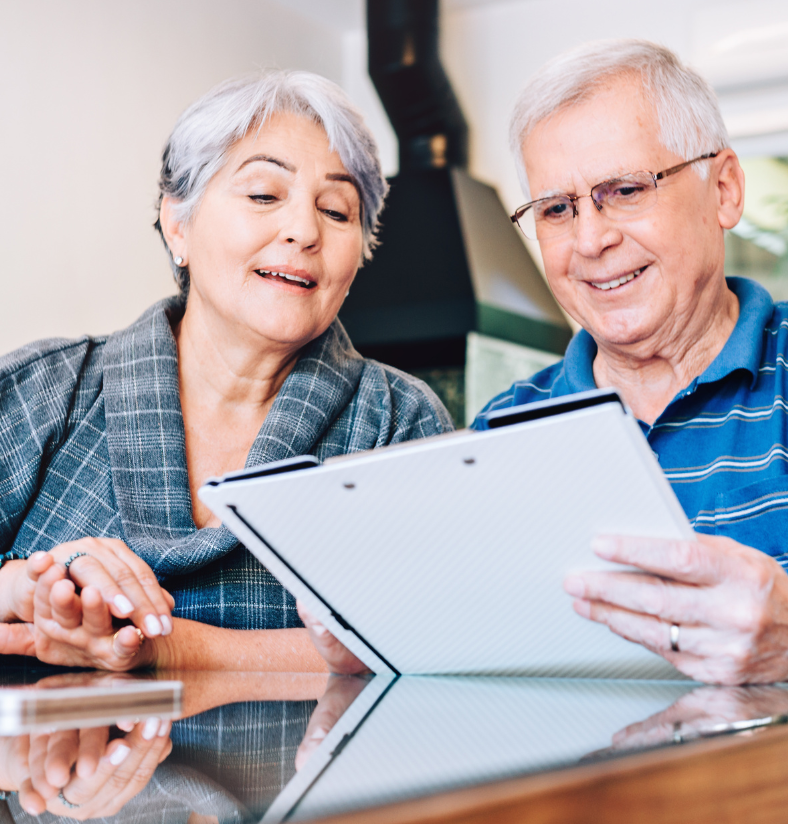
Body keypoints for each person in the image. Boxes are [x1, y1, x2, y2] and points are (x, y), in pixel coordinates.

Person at [0, 71, 451, 673]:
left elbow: (438, 646)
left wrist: (177, 651)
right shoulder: (42, 390)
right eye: (264, 196)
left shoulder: (399, 424)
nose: (304, 231)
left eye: (337, 211)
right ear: (178, 223)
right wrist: (18, 589)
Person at [475, 37, 788, 685]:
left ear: (723, 189)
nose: (591, 239)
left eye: (624, 189)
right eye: (557, 209)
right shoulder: (500, 431)